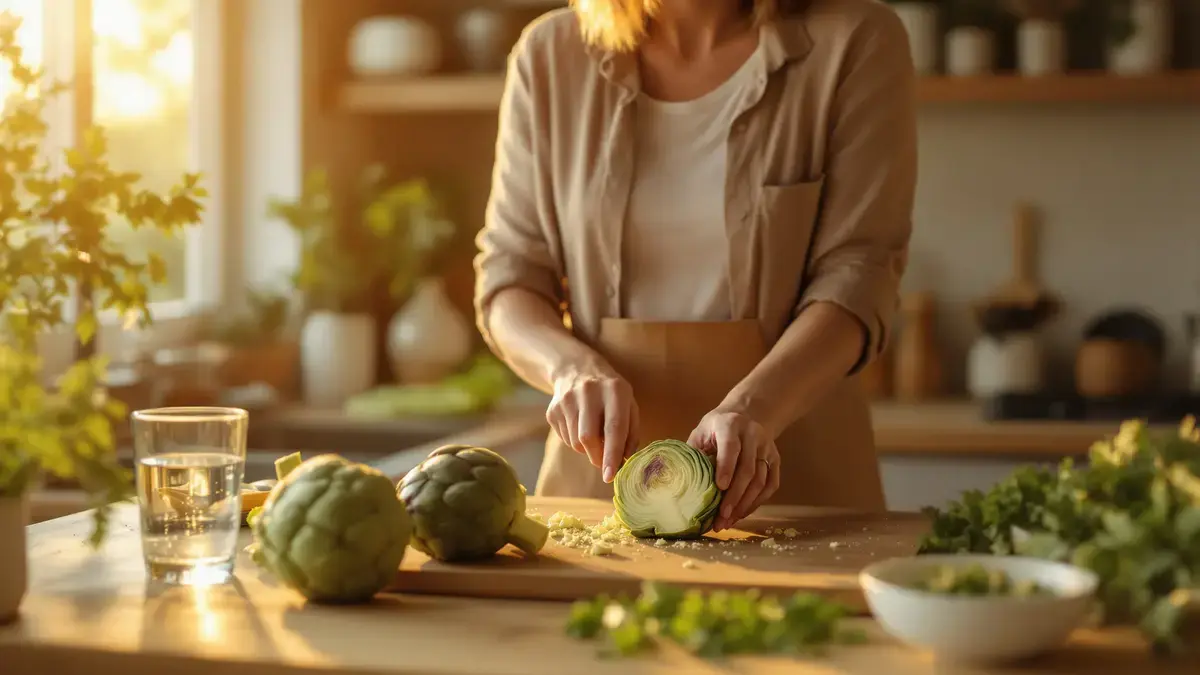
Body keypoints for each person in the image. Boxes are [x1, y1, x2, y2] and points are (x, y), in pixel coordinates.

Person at [474, 0, 916, 531]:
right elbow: (510, 278)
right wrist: (570, 368)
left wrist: (755, 410)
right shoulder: (548, 55)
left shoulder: (857, 39)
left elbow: (860, 274)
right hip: (600, 484)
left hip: (798, 475)